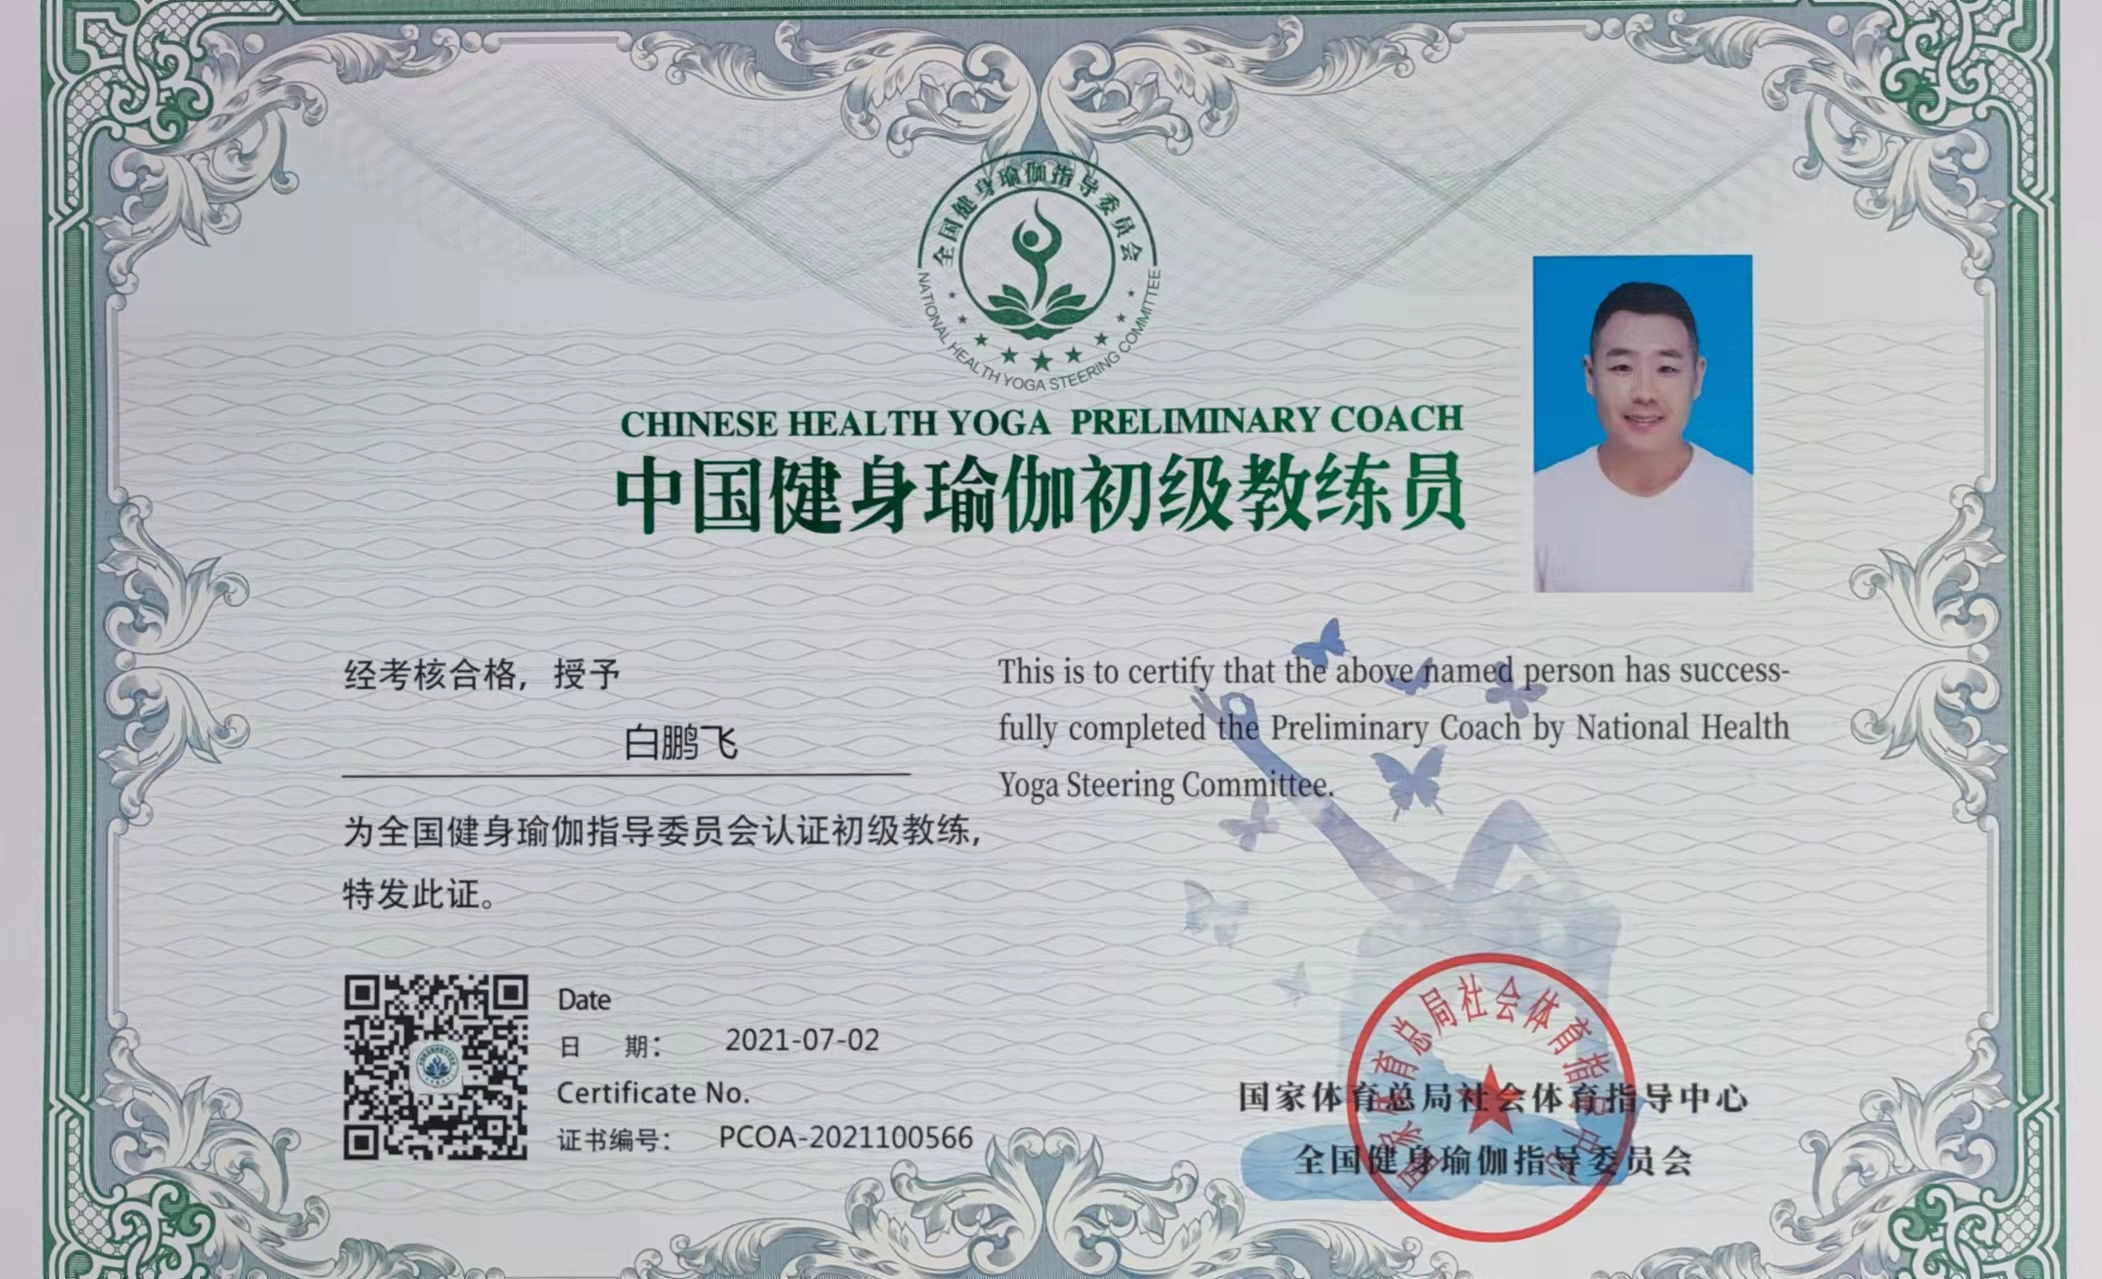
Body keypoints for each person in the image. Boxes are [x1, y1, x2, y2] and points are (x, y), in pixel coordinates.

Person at [1534, 281, 1752, 592]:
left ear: (1698, 377)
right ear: (1590, 375)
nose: (1644, 393)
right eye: (1623, 367)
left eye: (1666, 369)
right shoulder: (1538, 502)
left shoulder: (1748, 504)